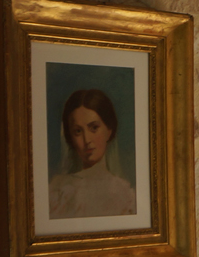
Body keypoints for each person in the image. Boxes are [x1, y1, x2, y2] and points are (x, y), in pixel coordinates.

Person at [48, 88, 137, 219]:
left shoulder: (126, 195)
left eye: (94, 128)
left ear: (109, 130)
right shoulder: (57, 190)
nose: (87, 140)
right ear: (70, 138)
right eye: (78, 131)